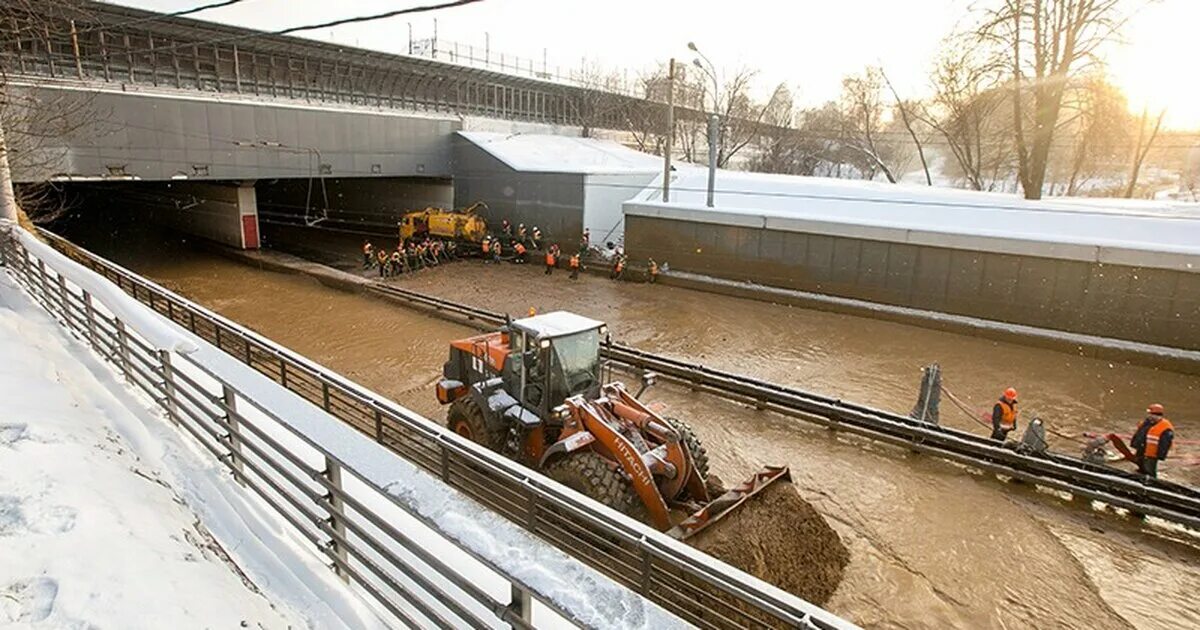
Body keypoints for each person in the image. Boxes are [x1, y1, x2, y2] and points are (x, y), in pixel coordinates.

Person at [1131, 404, 1175, 478]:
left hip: (1151, 455)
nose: (1149, 416)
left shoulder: (1165, 427)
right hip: (1141, 451)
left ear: (1156, 415)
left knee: (1149, 471)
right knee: (1140, 468)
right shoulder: (1146, 423)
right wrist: (1135, 445)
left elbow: (1165, 444)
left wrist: (1161, 455)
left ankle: (1151, 484)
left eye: (1150, 414)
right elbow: (1139, 434)